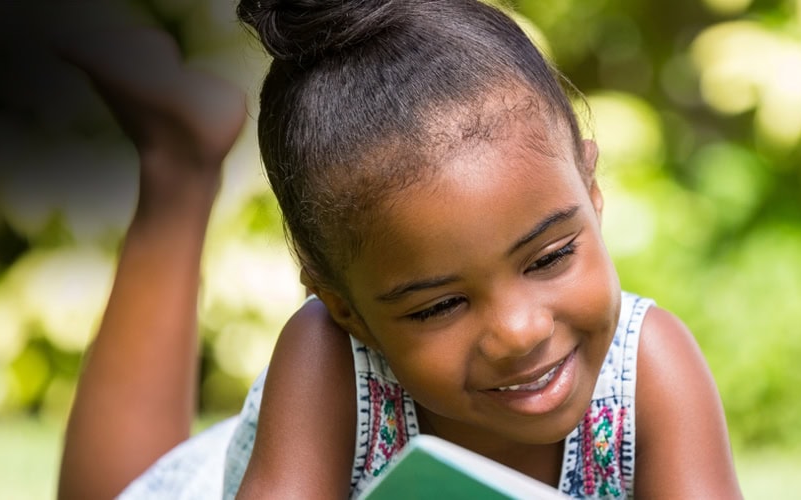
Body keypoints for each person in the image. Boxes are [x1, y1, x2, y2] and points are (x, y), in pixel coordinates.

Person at [56, 0, 743, 498]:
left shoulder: (651, 366)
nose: (519, 331)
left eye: (548, 258)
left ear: (591, 190)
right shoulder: (327, 358)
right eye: (441, 305)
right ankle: (177, 166)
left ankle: (181, 154)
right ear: (342, 305)